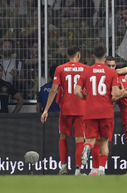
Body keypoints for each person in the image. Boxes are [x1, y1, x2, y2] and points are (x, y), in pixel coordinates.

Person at [41, 46, 88, 175]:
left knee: (63, 136)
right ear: (79, 56)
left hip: (66, 108)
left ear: (68, 56)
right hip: (81, 108)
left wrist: (46, 110)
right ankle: (78, 169)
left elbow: (53, 90)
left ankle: (63, 167)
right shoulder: (86, 69)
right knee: (80, 140)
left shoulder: (60, 69)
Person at [74, 45, 121, 176]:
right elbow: (116, 94)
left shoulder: (86, 71)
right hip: (106, 111)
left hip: (90, 111)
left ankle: (87, 147)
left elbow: (76, 91)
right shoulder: (112, 73)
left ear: (93, 56)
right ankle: (101, 169)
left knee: (90, 140)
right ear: (105, 57)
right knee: (104, 141)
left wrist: (87, 98)